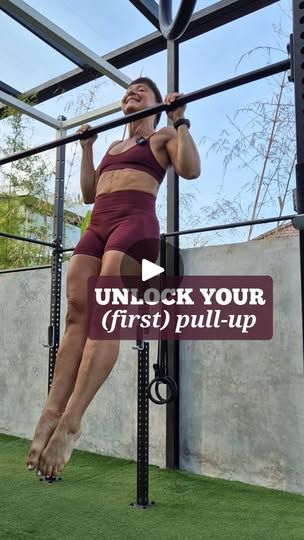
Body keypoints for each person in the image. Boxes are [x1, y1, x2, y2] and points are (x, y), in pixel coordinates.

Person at [26, 77, 201, 479]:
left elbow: (190, 170)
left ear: (156, 105)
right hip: (98, 224)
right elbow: (89, 194)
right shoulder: (111, 147)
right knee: (75, 314)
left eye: (141, 91)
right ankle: (50, 412)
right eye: (128, 91)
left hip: (135, 224)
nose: (131, 94)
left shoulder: (162, 136)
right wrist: (87, 149)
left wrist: (181, 120)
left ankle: (71, 422)